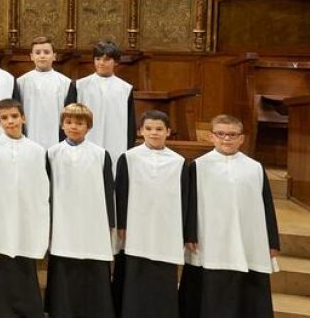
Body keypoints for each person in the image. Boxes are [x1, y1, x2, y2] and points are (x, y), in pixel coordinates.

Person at [180, 115, 280, 318]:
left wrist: (272, 241)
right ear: (211, 137)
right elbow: (190, 203)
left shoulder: (255, 168)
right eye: (221, 134)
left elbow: (267, 206)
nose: (227, 138)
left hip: (246, 237)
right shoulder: (198, 166)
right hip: (210, 237)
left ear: (241, 138)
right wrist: (189, 234)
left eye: (232, 134)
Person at [0, 98, 49, 318]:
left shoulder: (37, 150)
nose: (10, 121)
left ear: (23, 118)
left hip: (26, 215)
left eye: (14, 116)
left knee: (23, 257)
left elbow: (43, 185)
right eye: (5, 118)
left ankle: (27, 308)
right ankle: (0, 309)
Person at [115, 110, 189, 318]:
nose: (154, 133)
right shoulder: (129, 158)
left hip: (167, 227)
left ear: (168, 132)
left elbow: (186, 199)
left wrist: (185, 230)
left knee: (163, 274)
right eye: (148, 129)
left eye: (159, 129)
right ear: (140, 131)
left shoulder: (179, 162)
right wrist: (122, 224)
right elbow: (121, 193)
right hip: (136, 226)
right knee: (135, 273)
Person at [45, 103, 116, 318]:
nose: (73, 126)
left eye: (79, 123)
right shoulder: (52, 153)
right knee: (65, 261)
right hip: (63, 220)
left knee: (92, 261)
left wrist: (110, 223)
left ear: (88, 126)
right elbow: (46, 190)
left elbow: (107, 190)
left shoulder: (101, 154)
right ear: (62, 125)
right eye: (69, 122)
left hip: (93, 220)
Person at [69, 40, 135, 168]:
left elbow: (130, 123)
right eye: (98, 59)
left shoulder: (125, 89)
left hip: (115, 140)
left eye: (106, 60)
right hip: (86, 139)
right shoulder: (79, 86)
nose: (101, 63)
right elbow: (69, 117)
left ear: (115, 62)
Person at [16, 35, 75, 149]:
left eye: (46, 52)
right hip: (29, 135)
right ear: (31, 56)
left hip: (56, 138)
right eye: (37, 53)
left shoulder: (65, 83)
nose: (42, 56)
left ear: (54, 56)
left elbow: (68, 115)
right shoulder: (21, 82)